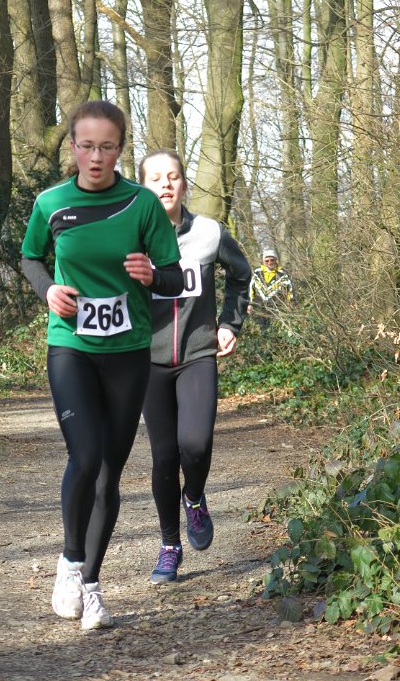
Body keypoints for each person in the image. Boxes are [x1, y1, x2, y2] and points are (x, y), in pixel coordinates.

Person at [21, 101, 183, 630]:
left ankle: (91, 584)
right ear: (72, 146)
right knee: (86, 456)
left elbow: (174, 277)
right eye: (86, 146)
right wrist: (49, 290)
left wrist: (151, 275)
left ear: (120, 149)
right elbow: (30, 257)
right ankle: (71, 564)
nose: (96, 157)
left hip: (128, 351)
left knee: (110, 472)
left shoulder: (142, 204)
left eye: (107, 147)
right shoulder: (51, 203)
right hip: (71, 344)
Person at [138, 150, 251, 584]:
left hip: (198, 353)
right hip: (147, 359)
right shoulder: (131, 238)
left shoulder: (209, 232)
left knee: (196, 444)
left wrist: (229, 323)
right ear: (143, 187)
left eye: (172, 177)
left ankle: (196, 497)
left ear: (184, 184)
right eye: (155, 178)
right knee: (164, 455)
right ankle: (169, 546)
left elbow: (240, 275)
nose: (165, 185)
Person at [248, 249, 295, 328]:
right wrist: (249, 304)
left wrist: (289, 304)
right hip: (258, 307)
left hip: (276, 308)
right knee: (260, 329)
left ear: (276, 260)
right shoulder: (257, 272)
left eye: (272, 260)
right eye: (267, 261)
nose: (269, 263)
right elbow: (250, 289)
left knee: (274, 329)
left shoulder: (283, 274)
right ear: (263, 261)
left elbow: (290, 290)